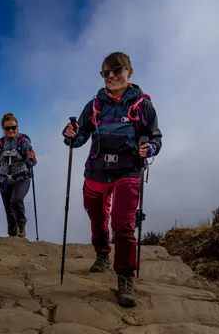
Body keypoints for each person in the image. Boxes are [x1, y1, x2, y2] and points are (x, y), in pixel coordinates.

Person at [62, 51, 162, 308]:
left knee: (123, 223)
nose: (111, 76)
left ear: (129, 72)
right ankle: (102, 254)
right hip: (96, 171)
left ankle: (125, 276)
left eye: (117, 70)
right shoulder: (95, 105)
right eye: (106, 72)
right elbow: (81, 136)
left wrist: (149, 148)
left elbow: (155, 137)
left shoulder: (142, 105)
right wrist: (71, 135)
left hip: (128, 172)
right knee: (97, 218)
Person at [0, 112, 37, 238]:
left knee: (16, 201)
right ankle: (12, 235)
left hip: (22, 178)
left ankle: (21, 228)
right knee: (8, 209)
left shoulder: (23, 142)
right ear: (3, 128)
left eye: (14, 127)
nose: (11, 130)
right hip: (4, 180)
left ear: (17, 127)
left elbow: (31, 164)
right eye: (7, 128)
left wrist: (32, 158)